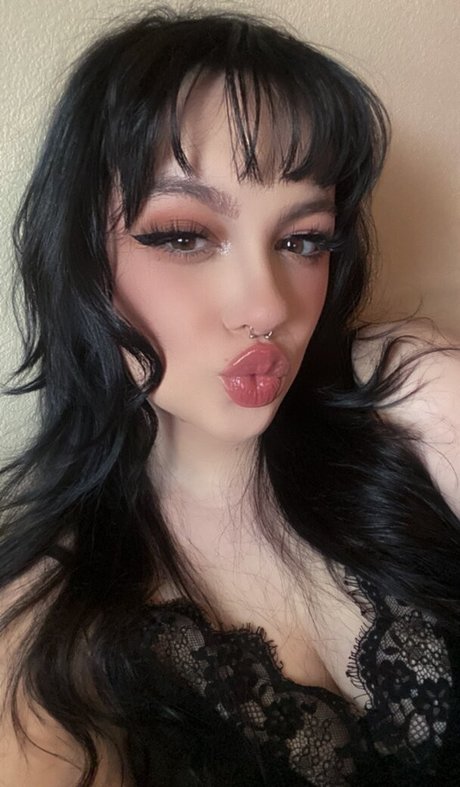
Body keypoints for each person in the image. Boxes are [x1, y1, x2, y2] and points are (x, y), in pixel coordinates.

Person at [0, 7, 459, 786]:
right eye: (182, 234)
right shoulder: (43, 638)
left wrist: (414, 364)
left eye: (303, 239)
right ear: (79, 256)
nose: (269, 306)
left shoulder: (410, 400)